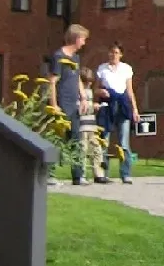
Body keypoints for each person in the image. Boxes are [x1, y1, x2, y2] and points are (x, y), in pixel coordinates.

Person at [48, 24, 89, 186]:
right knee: (56, 140)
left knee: (76, 139)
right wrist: (54, 105)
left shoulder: (76, 58)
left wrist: (84, 97)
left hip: (74, 104)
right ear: (76, 38)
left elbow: (77, 77)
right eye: (83, 39)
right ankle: (50, 174)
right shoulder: (59, 56)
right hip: (62, 103)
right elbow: (52, 81)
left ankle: (78, 176)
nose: (84, 43)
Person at [96, 43, 139, 184]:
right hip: (107, 104)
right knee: (104, 141)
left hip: (122, 104)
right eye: (111, 52)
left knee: (124, 142)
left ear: (121, 54)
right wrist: (100, 92)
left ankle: (125, 173)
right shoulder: (102, 69)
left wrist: (135, 110)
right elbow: (96, 88)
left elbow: (129, 91)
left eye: (116, 52)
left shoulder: (126, 69)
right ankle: (104, 172)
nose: (113, 55)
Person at [77, 68, 107, 184]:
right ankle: (81, 174)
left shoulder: (89, 91)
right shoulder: (79, 93)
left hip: (92, 125)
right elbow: (79, 109)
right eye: (86, 81)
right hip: (82, 126)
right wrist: (92, 107)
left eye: (90, 81)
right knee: (82, 150)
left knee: (96, 150)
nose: (89, 83)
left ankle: (99, 174)